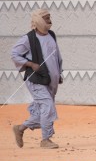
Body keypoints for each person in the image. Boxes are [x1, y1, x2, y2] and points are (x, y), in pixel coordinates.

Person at [11, 9, 63, 149]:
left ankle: (20, 128)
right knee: (47, 106)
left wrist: (59, 73)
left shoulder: (51, 35)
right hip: (36, 79)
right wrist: (30, 64)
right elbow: (15, 54)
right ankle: (45, 140)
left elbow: (56, 56)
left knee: (43, 111)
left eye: (49, 17)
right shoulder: (28, 39)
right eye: (46, 18)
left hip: (50, 80)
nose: (49, 20)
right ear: (39, 20)